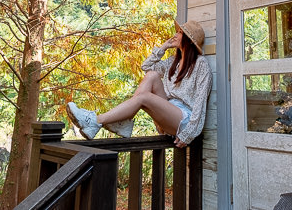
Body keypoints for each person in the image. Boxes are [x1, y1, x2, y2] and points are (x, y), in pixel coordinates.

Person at [66, 20, 212, 148]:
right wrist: (162, 48)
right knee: (151, 75)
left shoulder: (201, 65)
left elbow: (200, 103)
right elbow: (146, 67)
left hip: (183, 119)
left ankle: (96, 121)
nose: (175, 34)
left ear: (189, 39)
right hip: (168, 111)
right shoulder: (172, 62)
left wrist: (188, 134)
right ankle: (124, 121)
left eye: (180, 33)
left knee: (144, 97)